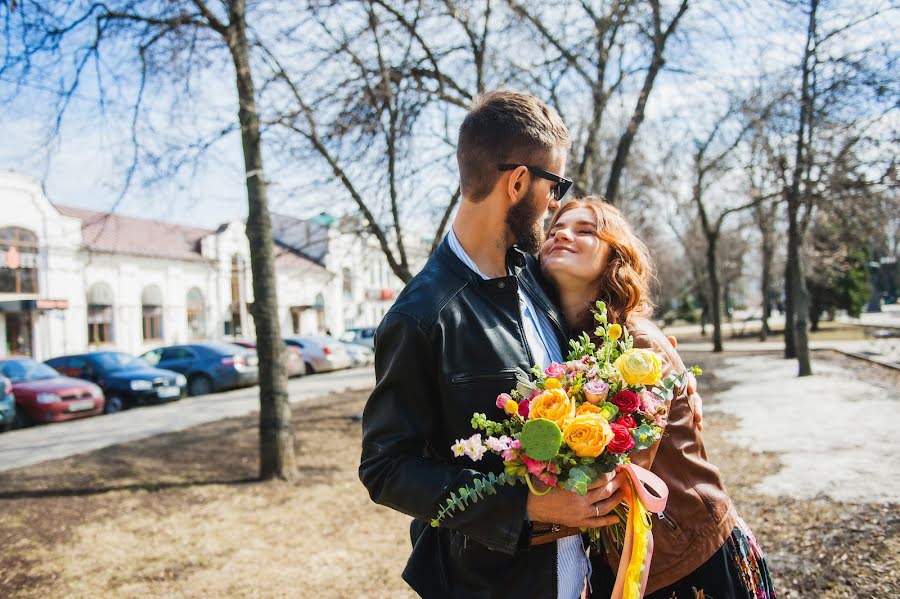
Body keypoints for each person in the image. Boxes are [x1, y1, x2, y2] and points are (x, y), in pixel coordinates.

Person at [359, 91, 625, 598]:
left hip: (578, 576)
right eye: (556, 186)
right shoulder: (423, 315)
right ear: (519, 181)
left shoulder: (535, 278)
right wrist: (522, 505)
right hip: (487, 585)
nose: (556, 204)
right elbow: (385, 467)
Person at [539, 196, 777, 598]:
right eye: (555, 230)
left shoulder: (639, 342)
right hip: (624, 561)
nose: (562, 233)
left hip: (687, 556)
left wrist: (520, 512)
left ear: (614, 257)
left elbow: (622, 474)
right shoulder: (557, 345)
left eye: (585, 230)